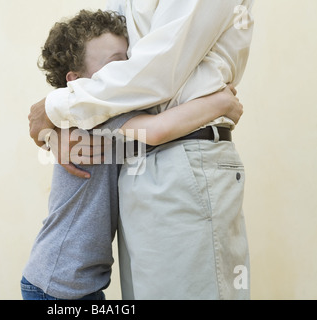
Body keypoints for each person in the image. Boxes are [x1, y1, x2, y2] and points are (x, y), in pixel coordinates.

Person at [28, 0, 255, 300]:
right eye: (116, 65)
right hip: (61, 284)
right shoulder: (100, 116)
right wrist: (220, 102)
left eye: (126, 62)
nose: (121, 74)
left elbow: (155, 72)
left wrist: (59, 109)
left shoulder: (99, 113)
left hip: (68, 281)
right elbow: (156, 126)